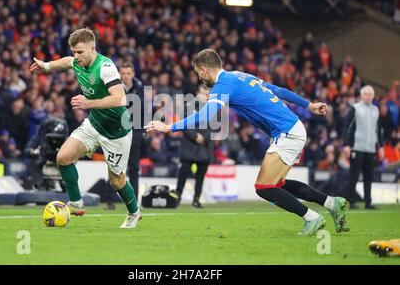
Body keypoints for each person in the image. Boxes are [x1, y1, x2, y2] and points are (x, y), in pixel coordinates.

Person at [145, 49, 349, 236]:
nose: (200, 77)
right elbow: (278, 90)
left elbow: (205, 117)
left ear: (205, 69)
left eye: (199, 72)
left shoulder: (222, 86)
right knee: (278, 184)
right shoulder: (240, 76)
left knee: (263, 187)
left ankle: (312, 218)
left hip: (287, 132)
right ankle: (332, 203)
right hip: (291, 128)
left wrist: (168, 127)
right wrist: (309, 105)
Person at [30, 28, 141, 229]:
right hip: (94, 124)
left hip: (117, 131)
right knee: (63, 157)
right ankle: (76, 203)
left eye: (80, 52)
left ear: (93, 49)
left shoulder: (105, 67)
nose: (76, 56)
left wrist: (88, 104)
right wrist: (46, 66)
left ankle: (134, 211)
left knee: (116, 181)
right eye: (74, 51)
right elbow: (66, 61)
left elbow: (120, 98)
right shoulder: (78, 61)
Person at [343, 85, 384, 210]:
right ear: (361, 95)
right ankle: (351, 201)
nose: (368, 96)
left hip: (371, 148)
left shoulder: (376, 110)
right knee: (354, 175)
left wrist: (381, 146)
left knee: (369, 176)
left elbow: (378, 130)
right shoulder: (355, 108)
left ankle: (368, 202)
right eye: (365, 93)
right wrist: (346, 145)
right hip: (357, 147)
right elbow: (347, 127)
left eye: (370, 94)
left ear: (373, 96)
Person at [176, 84, 214, 208]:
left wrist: (204, 137)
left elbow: (216, 127)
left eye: (208, 92)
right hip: (189, 145)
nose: (206, 94)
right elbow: (184, 125)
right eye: (204, 91)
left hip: (204, 147)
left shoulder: (213, 108)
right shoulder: (188, 107)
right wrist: (195, 136)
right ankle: (177, 198)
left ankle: (196, 199)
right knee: (183, 173)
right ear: (198, 92)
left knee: (201, 176)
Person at [119, 62, 144, 202]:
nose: (126, 76)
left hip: (135, 131)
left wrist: (143, 130)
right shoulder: (113, 87)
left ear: (133, 74)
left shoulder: (140, 88)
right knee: (115, 165)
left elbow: (144, 109)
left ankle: (134, 199)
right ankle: (111, 200)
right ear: (119, 73)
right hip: (117, 131)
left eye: (128, 73)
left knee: (134, 167)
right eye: (123, 73)